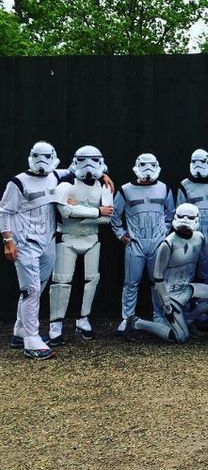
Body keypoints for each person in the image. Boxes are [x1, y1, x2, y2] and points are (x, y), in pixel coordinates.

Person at [124, 203, 208, 343]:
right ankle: (136, 323)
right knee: (180, 337)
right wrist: (166, 302)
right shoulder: (168, 243)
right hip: (169, 293)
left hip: (188, 287)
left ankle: (189, 320)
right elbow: (157, 276)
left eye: (190, 217)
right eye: (182, 217)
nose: (185, 221)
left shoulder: (200, 238)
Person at [0, 142, 61, 359]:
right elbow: (5, 211)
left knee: (37, 286)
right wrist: (8, 241)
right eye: (38, 156)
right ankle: (31, 340)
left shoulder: (55, 176)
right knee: (31, 290)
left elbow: (77, 171)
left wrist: (104, 176)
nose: (42, 161)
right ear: (31, 156)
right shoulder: (17, 182)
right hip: (25, 243)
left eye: (46, 156)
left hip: (47, 242)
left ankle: (20, 330)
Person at [49, 145, 113, 344]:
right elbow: (64, 212)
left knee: (91, 280)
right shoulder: (66, 183)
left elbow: (108, 217)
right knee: (61, 281)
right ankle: (55, 324)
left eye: (94, 161)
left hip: (92, 238)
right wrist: (95, 212)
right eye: (84, 160)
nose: (88, 166)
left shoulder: (103, 185)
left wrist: (78, 211)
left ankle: (83, 320)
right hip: (67, 237)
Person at [111, 153, 175, 333]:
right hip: (135, 243)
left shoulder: (164, 189)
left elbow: (171, 212)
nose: (147, 170)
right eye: (144, 165)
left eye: (151, 165)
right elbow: (115, 214)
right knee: (131, 282)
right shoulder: (126, 190)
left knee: (157, 283)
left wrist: (166, 231)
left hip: (157, 243)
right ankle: (127, 319)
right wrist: (120, 233)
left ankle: (159, 317)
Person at [177, 149, 208, 254]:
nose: (198, 165)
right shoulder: (185, 186)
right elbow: (179, 213)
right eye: (195, 162)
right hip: (192, 236)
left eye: (202, 162)